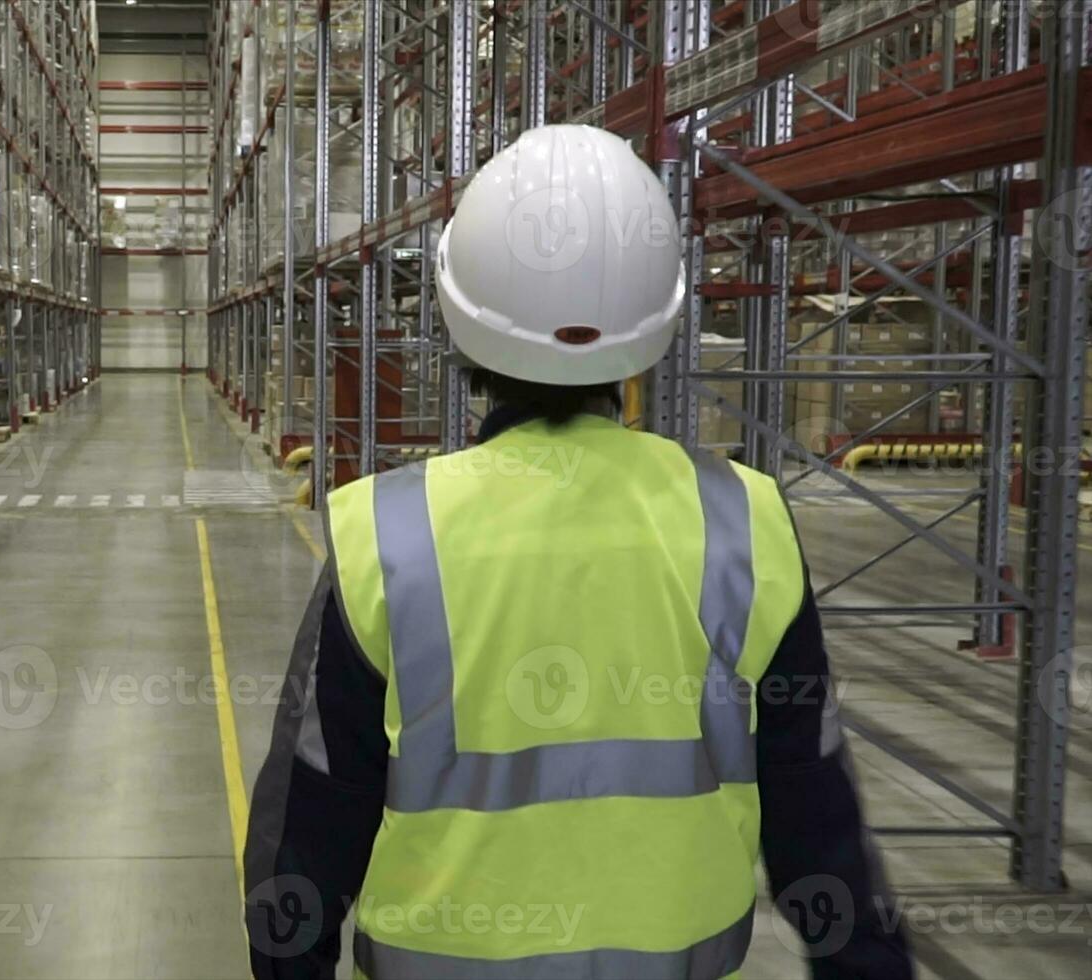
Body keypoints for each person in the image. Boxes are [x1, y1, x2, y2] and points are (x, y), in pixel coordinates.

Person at [242, 125, 913, 979]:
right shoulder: (743, 523)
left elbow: (303, 836)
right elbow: (818, 826)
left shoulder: (389, 533)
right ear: (656, 321)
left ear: (458, 318)